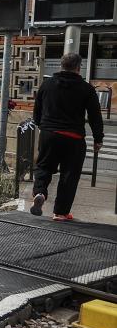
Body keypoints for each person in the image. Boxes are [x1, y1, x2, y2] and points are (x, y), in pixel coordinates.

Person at [30, 52, 104, 221]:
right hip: (74, 138)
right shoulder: (86, 88)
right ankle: (61, 212)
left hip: (49, 134)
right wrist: (98, 138)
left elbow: (37, 111)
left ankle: (40, 192)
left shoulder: (47, 85)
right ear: (79, 67)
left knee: (44, 167)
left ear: (61, 65)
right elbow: (95, 116)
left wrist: (44, 127)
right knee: (69, 175)